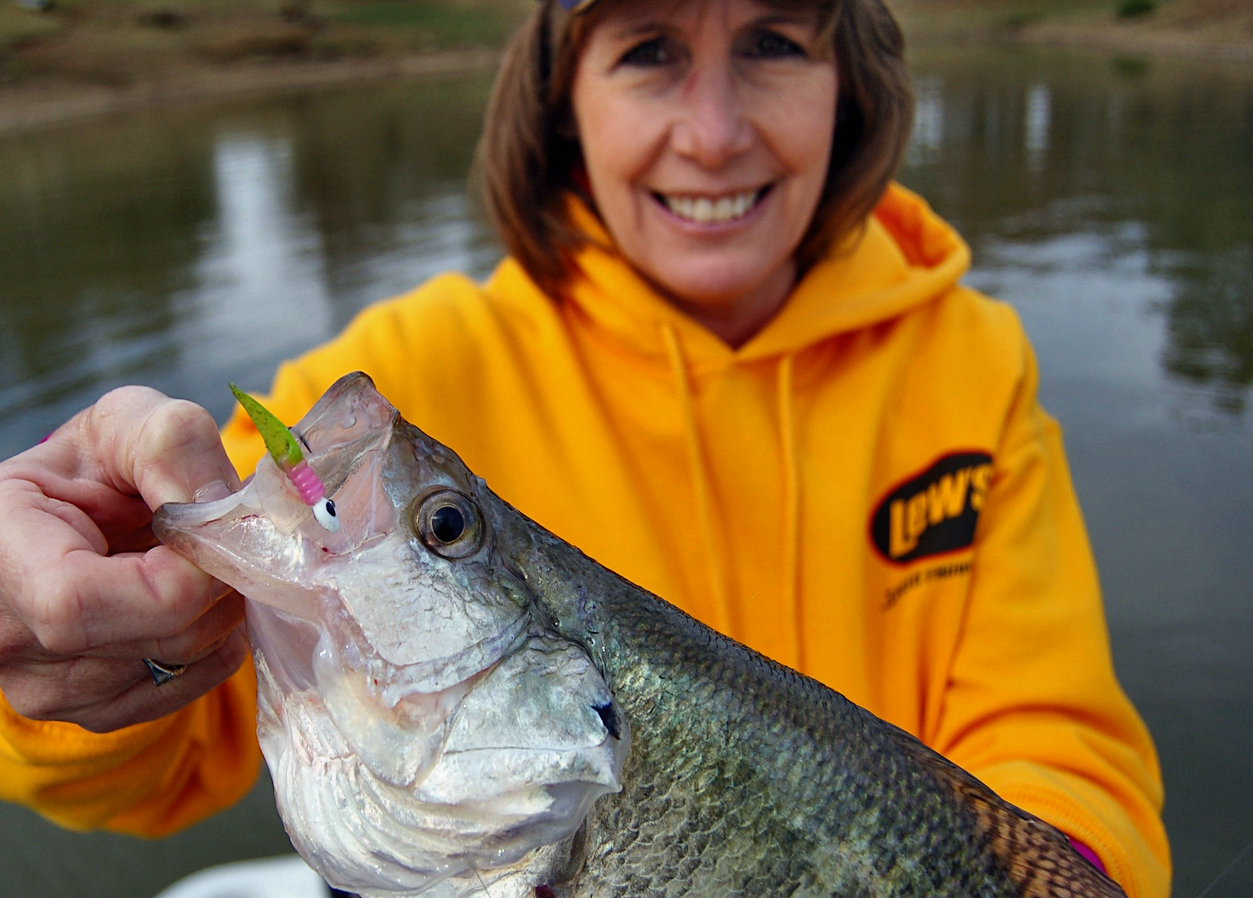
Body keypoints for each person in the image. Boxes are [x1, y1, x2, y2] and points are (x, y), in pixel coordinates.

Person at [0, 0, 1169, 894]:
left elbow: (1054, 740)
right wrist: (64, 636)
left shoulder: (970, 361)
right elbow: (156, 754)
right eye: (647, 49)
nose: (710, 136)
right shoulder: (382, 405)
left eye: (772, 41)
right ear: (563, 98)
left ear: (848, 88)